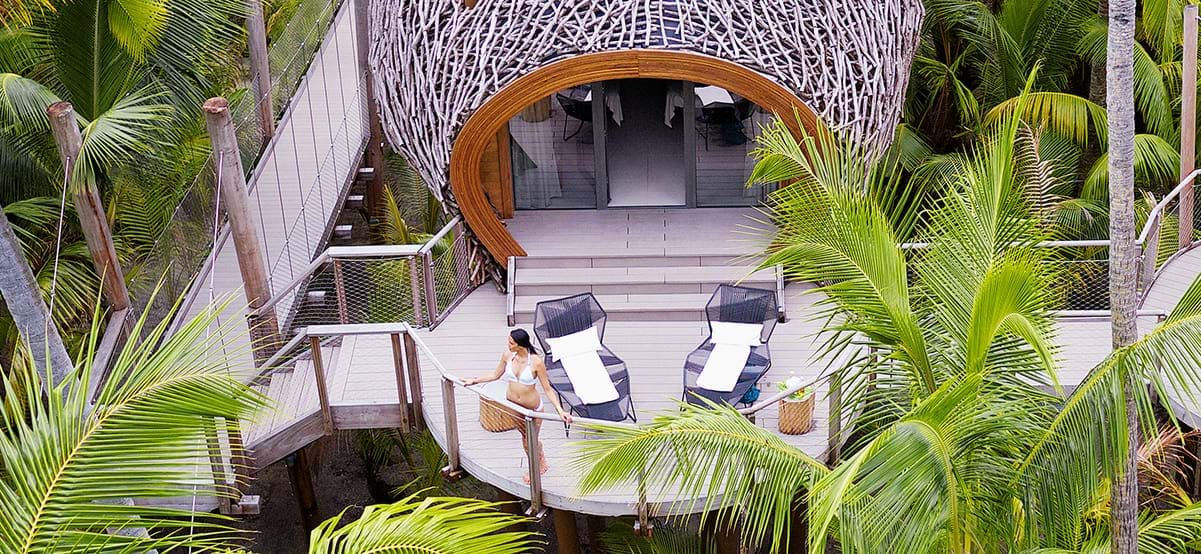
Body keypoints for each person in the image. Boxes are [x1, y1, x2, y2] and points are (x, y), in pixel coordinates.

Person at [464, 329, 571, 482]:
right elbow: (495, 375)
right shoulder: (508, 355)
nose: (508, 345)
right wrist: (474, 380)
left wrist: (560, 411)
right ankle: (540, 460)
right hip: (514, 407)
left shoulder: (536, 362)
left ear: (521, 345)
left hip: (532, 409)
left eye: (511, 343)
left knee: (530, 441)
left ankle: (537, 467)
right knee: (526, 439)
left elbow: (547, 389)